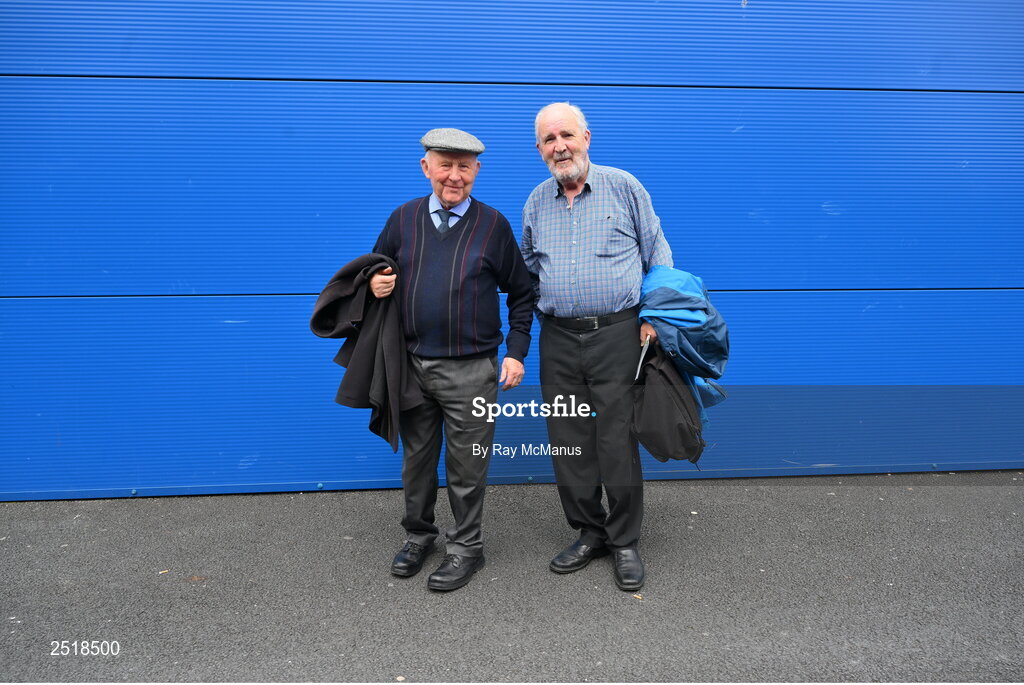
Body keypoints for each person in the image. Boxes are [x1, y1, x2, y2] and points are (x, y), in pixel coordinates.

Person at [370, 127, 534, 591]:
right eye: (445, 164)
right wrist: (374, 285)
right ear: (426, 168)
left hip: (471, 370)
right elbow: (374, 269)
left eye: (465, 166)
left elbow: (523, 294)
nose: (454, 176)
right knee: (417, 462)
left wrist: (516, 352)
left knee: (467, 467)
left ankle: (466, 549)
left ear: (477, 171)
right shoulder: (402, 220)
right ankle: (419, 536)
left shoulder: (493, 225)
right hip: (412, 364)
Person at [520, 103, 673, 591]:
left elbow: (659, 255)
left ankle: (624, 539)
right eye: (549, 139)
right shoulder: (535, 202)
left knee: (615, 438)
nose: (559, 146)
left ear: (587, 137)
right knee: (568, 440)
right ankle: (589, 531)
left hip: (618, 334)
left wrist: (653, 318)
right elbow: (527, 271)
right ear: (539, 149)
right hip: (559, 337)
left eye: (567, 135)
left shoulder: (624, 186)